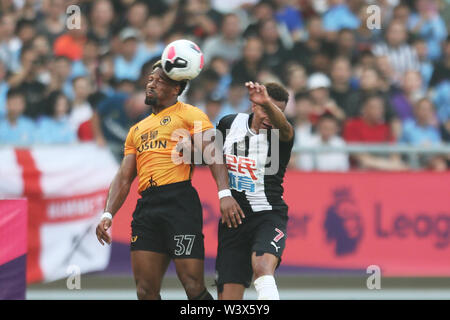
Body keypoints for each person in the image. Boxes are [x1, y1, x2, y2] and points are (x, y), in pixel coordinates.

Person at [95, 60, 242, 300]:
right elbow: (124, 177)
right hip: (147, 208)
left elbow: (213, 152)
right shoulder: (137, 129)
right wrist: (107, 214)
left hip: (179, 203)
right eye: (150, 80)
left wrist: (224, 193)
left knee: (193, 286)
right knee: (145, 291)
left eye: (159, 81)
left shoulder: (190, 114)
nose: (151, 84)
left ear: (176, 89)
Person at [215, 82, 294, 300]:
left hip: (268, 215)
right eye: (265, 110)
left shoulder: (282, 136)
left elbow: (285, 128)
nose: (271, 117)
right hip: (234, 219)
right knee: (228, 297)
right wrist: (224, 194)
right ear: (253, 105)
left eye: (277, 112)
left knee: (262, 268)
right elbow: (215, 158)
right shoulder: (228, 123)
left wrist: (267, 103)